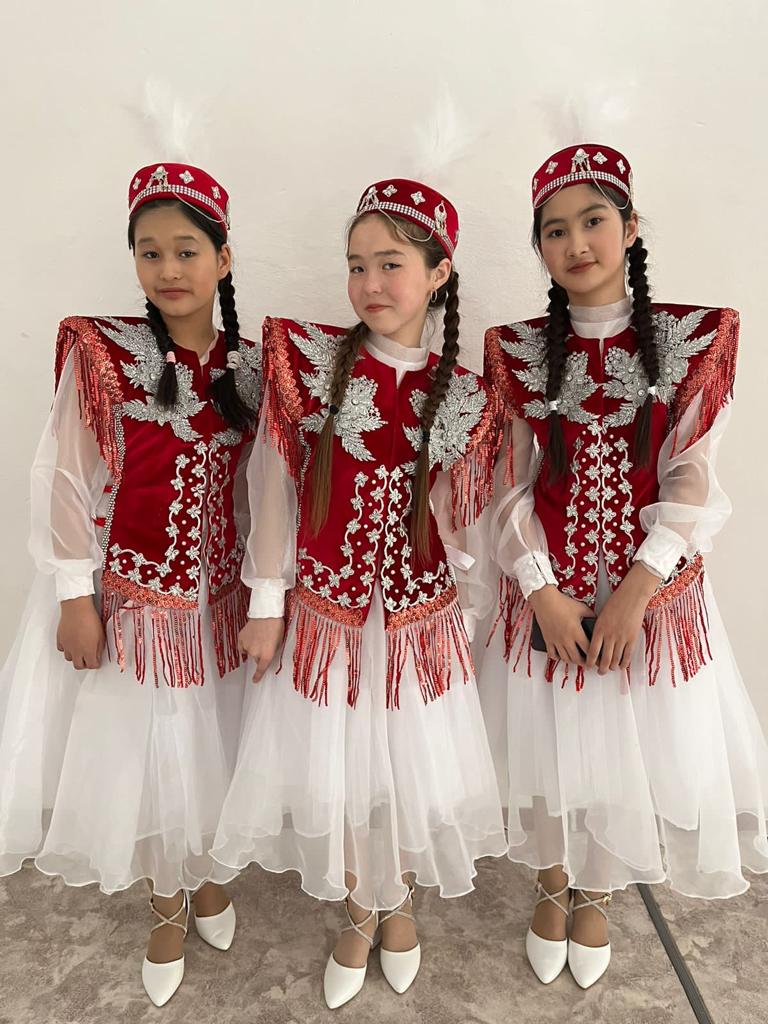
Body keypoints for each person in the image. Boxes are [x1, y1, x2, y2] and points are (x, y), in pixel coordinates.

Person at [211, 178, 506, 1008]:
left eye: (391, 264)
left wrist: (467, 614)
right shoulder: (306, 365)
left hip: (419, 622)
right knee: (334, 765)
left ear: (438, 273)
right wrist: (266, 604)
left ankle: (396, 895)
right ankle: (357, 902)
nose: (370, 283)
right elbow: (273, 485)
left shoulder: (469, 396)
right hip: (326, 618)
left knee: (408, 765)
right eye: (356, 265)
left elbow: (466, 519)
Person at [481, 143, 768, 989]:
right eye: (555, 230)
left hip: (654, 596)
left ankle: (597, 884)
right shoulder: (515, 351)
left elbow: (692, 475)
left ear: (632, 225)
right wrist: (541, 591)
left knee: (623, 742)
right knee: (549, 741)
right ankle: (553, 878)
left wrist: (638, 591)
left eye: (594, 221)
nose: (576, 243)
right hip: (550, 593)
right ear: (539, 245)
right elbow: (507, 485)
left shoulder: (694, 338)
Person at [0, 162, 261, 1006]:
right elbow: (65, 477)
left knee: (214, 743)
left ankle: (207, 874)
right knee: (151, 752)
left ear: (224, 258)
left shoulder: (258, 368)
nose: (169, 268)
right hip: (135, 601)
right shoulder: (104, 353)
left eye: (187, 249)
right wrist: (73, 597)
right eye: (150, 252)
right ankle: (165, 896)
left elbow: (272, 489)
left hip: (222, 603)